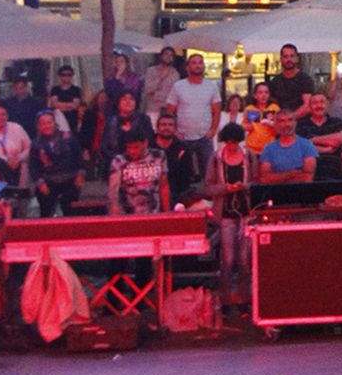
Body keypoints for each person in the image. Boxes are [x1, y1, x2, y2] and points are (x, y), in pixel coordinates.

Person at [204, 122, 254, 311]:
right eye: (229, 142)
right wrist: (225, 188)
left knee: (244, 259)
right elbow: (208, 186)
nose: (232, 146)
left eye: (235, 142)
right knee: (228, 259)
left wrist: (244, 186)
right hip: (225, 213)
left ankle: (244, 298)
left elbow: (256, 181)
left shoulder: (248, 157)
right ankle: (225, 299)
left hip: (245, 212)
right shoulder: (217, 158)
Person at [169, 52, 222, 188]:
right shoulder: (178, 86)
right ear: (187, 67)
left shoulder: (211, 86)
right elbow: (170, 111)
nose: (197, 65)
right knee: (183, 173)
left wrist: (213, 130)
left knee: (209, 174)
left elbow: (216, 111)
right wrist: (174, 131)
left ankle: (208, 203)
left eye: (200, 62)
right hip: (183, 137)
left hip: (205, 137)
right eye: (194, 63)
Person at [109, 124, 169, 217]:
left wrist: (167, 213)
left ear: (145, 143)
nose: (132, 151)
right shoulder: (119, 161)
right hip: (127, 215)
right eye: (129, 148)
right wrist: (114, 210)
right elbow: (113, 190)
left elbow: (163, 186)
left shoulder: (159, 156)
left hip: (153, 213)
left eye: (136, 147)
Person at [30, 111, 81, 217]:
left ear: (54, 123)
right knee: (46, 213)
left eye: (49, 122)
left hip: (69, 181)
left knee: (71, 212)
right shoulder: (35, 144)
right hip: (48, 182)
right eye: (43, 123)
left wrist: (80, 175)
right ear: (38, 126)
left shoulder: (68, 137)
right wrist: (40, 183)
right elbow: (33, 166)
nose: (47, 126)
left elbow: (78, 158)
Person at [256, 110, 320, 185]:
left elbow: (307, 178)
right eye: (282, 121)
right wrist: (290, 174)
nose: (287, 124)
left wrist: (277, 177)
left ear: (295, 123)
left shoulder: (307, 145)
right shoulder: (268, 148)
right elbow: (264, 179)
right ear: (276, 125)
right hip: (275, 193)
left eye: (290, 120)